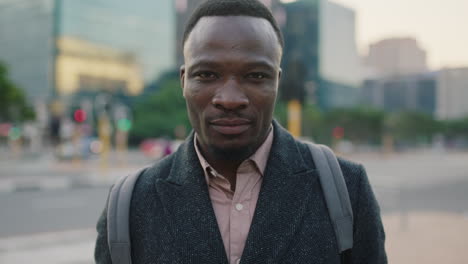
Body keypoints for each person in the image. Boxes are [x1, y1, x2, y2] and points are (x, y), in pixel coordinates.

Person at [95, 0, 387, 263]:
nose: (230, 98)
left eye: (255, 76)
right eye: (207, 74)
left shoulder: (347, 190)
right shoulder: (129, 205)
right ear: (184, 81)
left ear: (277, 82)